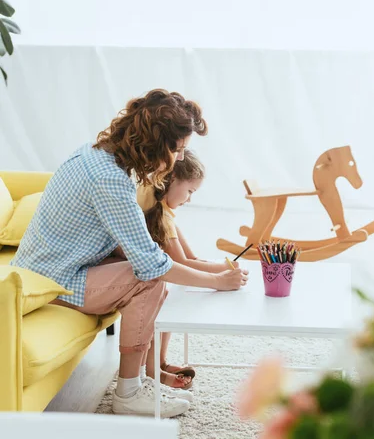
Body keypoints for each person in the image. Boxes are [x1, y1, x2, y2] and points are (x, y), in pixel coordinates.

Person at [11, 89, 248, 418]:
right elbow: (151, 265)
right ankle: (129, 391)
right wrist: (216, 281)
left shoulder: (94, 155)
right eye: (177, 149)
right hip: (54, 281)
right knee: (149, 280)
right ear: (156, 142)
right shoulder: (110, 180)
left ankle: (147, 374)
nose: (180, 158)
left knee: (146, 272)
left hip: (46, 268)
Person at [134, 150, 239, 390]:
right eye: (190, 191)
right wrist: (220, 278)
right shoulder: (159, 215)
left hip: (155, 275)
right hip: (141, 278)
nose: (189, 199)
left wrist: (225, 268)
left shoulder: (166, 212)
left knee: (166, 301)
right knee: (162, 303)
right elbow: (180, 263)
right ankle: (153, 370)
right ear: (169, 181)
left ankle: (158, 362)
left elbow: (191, 257)